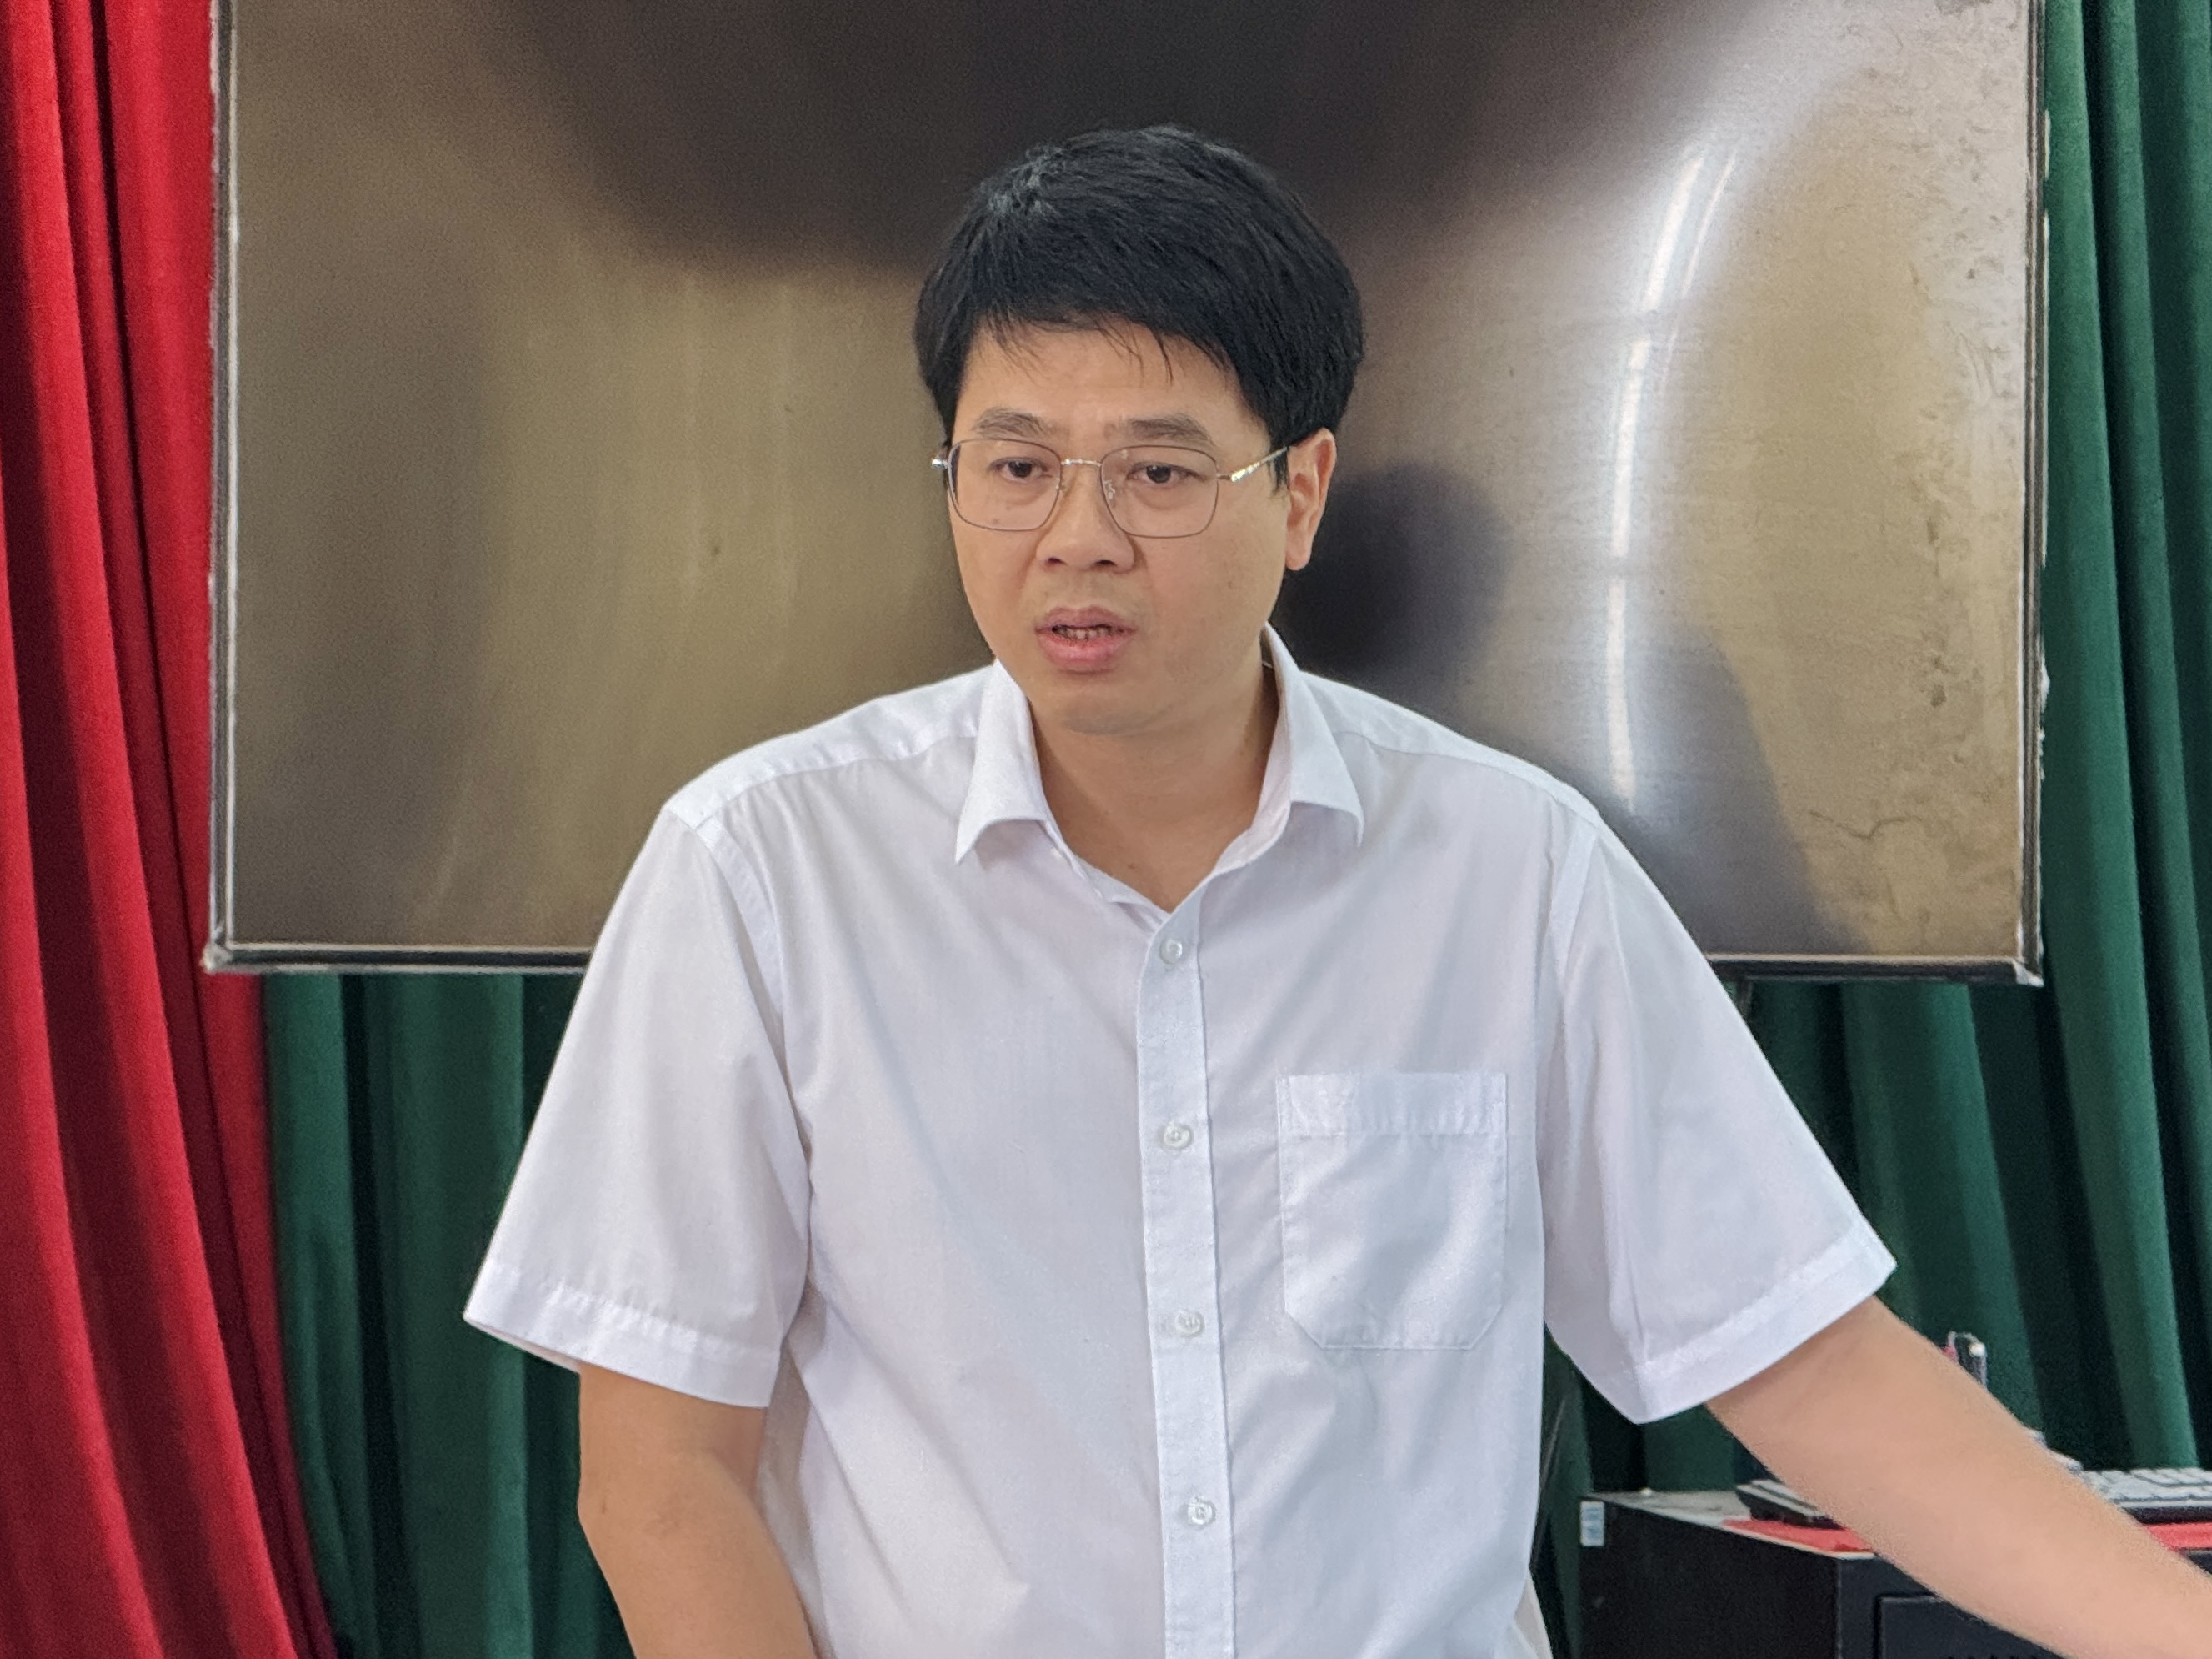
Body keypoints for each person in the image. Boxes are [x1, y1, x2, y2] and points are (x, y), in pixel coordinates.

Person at [465, 126, 2212, 1659]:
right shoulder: (763, 868)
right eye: (1014, 465)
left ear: (1298, 490)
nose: (1076, 534)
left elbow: (1804, 1361)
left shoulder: (1509, 871)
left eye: (1158, 470)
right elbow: (661, 1471)